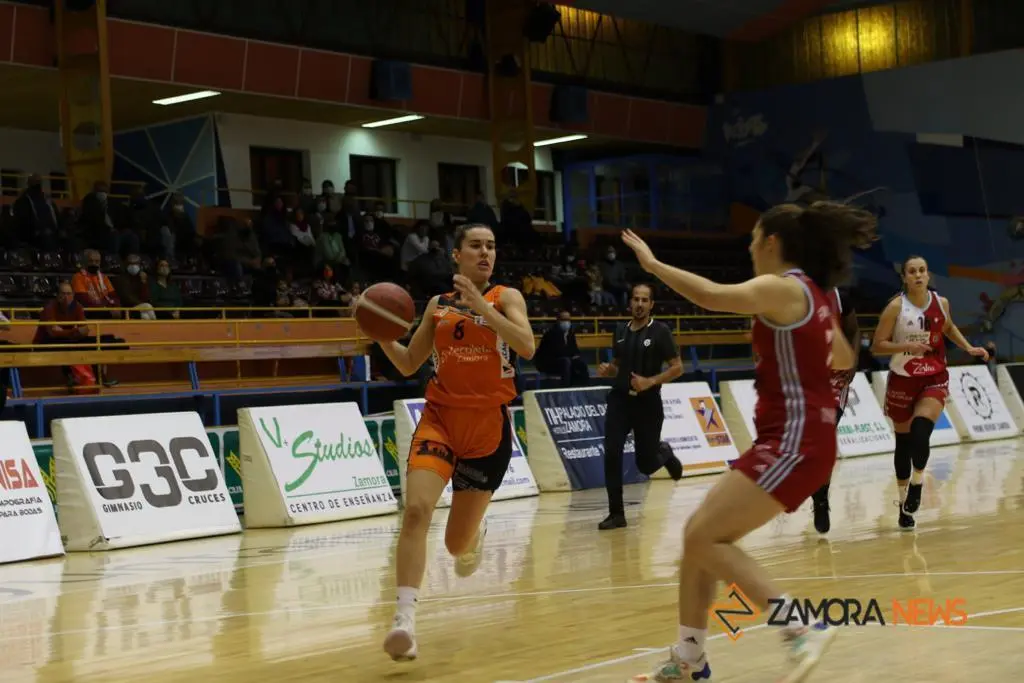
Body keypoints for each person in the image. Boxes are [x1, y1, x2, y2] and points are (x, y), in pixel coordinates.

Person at [619, 200, 874, 683]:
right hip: (800, 438)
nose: (750, 248)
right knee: (699, 538)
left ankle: (799, 627)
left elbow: (714, 295)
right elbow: (842, 356)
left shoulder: (783, 287)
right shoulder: (816, 296)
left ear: (771, 243)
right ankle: (689, 658)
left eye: (753, 239)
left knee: (701, 536)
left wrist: (652, 267)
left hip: (795, 442)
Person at [364, 224, 535, 663]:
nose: (486, 253)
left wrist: (482, 308)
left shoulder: (506, 297)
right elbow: (407, 363)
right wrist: (377, 327)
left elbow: (527, 346)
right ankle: (404, 620)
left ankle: (474, 534)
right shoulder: (438, 307)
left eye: (492, 246)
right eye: (476, 246)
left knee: (456, 546)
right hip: (438, 419)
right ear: (456, 255)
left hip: (486, 430)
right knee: (417, 511)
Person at [871, 256, 988, 530]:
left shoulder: (941, 302)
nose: (918, 275)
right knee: (903, 444)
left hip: (933, 376)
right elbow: (877, 345)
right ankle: (902, 505)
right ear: (905, 277)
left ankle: (917, 483)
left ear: (928, 274)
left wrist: (968, 347)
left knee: (921, 430)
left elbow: (947, 326)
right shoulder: (895, 307)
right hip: (903, 379)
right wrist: (905, 347)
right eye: (912, 272)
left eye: (922, 271)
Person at [595, 283, 684, 530]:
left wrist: (650, 381)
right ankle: (616, 514)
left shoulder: (661, 331)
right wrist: (608, 371)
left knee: (645, 464)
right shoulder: (620, 330)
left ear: (651, 304)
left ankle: (664, 452)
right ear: (629, 303)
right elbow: (618, 365)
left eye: (645, 300)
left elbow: (678, 367)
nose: (640, 304)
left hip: (648, 404)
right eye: (636, 299)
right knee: (611, 453)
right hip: (620, 400)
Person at [810, 286, 859, 534]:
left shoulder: (840, 295)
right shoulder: (790, 290)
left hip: (834, 377)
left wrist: (853, 361)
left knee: (824, 435)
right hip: (804, 375)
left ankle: (821, 499)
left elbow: (854, 331)